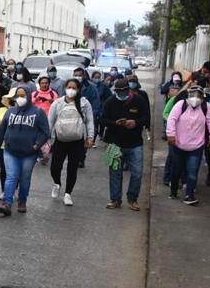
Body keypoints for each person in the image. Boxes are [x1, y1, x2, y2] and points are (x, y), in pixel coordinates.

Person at [0, 86, 49, 216]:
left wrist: (37, 145)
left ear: (28, 96)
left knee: (24, 178)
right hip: (10, 151)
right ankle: (7, 203)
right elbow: (1, 131)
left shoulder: (38, 113)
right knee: (11, 177)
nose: (20, 98)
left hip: (29, 153)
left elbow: (45, 132)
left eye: (23, 95)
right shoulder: (10, 112)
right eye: (18, 96)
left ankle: (22, 201)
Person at [165, 86, 210, 205]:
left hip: (196, 146)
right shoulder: (180, 105)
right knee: (176, 170)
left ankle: (189, 195)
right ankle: (173, 191)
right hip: (178, 144)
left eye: (199, 95)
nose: (196, 98)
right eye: (193, 94)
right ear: (188, 95)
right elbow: (171, 119)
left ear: (203, 97)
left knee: (192, 171)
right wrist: (171, 135)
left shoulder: (206, 107)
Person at [101, 79, 149, 211]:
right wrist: (116, 123)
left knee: (138, 172)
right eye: (118, 91)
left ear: (129, 90)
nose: (121, 94)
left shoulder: (139, 100)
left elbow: (146, 118)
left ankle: (132, 198)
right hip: (114, 144)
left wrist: (135, 122)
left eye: (123, 91)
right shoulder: (110, 102)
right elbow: (103, 120)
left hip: (135, 143)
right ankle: (115, 199)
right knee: (115, 173)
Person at [47, 79, 94, 206]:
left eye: (74, 88)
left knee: (72, 168)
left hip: (77, 141)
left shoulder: (84, 103)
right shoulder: (57, 103)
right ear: (65, 88)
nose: (71, 90)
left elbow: (90, 121)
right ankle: (57, 183)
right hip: (60, 140)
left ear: (78, 90)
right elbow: (50, 122)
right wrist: (47, 139)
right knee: (55, 167)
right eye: (69, 87)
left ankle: (68, 194)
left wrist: (90, 137)